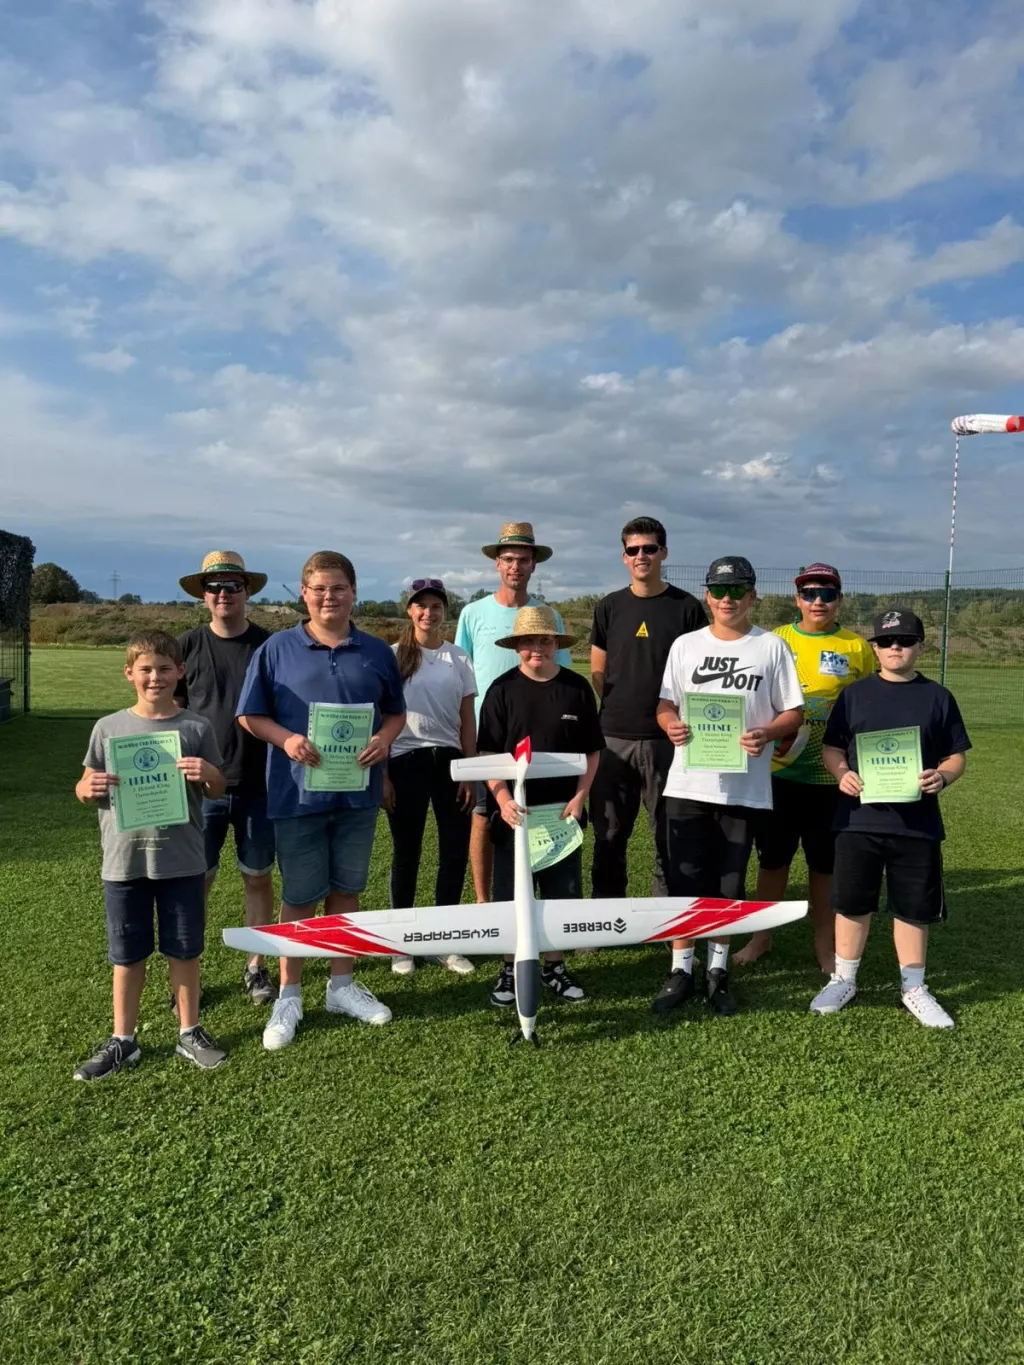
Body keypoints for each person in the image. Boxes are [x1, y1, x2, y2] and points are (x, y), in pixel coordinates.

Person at [236, 551, 406, 1050]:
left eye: (338, 588)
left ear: (354, 592)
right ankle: (290, 992)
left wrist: (387, 738)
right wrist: (286, 739)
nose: (328, 597)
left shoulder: (377, 651)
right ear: (304, 595)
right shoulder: (275, 650)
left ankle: (341, 986)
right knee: (299, 897)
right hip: (296, 793)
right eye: (318, 589)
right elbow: (249, 715)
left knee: (347, 890)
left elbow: (394, 712)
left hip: (357, 793)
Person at [73, 630, 228, 1081]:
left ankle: (189, 1031)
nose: (155, 677)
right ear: (129, 674)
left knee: (185, 949)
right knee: (127, 954)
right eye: (145, 669)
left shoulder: (195, 727)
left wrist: (209, 773)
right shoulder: (108, 728)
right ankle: (124, 1040)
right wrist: (88, 788)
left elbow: (217, 787)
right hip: (124, 862)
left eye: (164, 668)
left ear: (180, 672)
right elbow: (84, 785)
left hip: (181, 860)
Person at [654, 557, 803, 1017]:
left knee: (729, 881)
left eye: (738, 591)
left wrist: (768, 734)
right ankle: (681, 968)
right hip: (688, 783)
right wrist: (671, 725)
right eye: (719, 591)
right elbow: (665, 703)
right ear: (707, 596)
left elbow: (794, 713)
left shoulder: (772, 647)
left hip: (743, 789)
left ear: (753, 596)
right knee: (685, 878)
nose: (728, 600)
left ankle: (718, 969)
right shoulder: (685, 645)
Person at [812, 609, 970, 1028]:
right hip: (858, 820)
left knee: (913, 907)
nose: (894, 647)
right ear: (874, 648)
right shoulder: (854, 695)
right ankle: (843, 979)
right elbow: (832, 748)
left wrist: (943, 776)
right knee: (851, 903)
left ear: (920, 645)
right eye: (886, 641)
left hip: (916, 824)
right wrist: (842, 774)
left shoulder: (938, 696)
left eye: (904, 640)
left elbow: (956, 756)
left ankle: (913, 987)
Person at [736, 563, 875, 973]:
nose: (818, 601)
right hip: (776, 775)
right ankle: (761, 938)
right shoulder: (774, 639)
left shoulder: (856, 647)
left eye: (827, 594)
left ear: (839, 600)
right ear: (797, 598)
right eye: (810, 593)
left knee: (824, 865)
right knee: (772, 861)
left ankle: (824, 944)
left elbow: (868, 707)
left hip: (831, 778)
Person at [476, 606, 603, 1007]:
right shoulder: (501, 690)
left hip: (561, 815)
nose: (537, 649)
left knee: (561, 896)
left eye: (545, 641)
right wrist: (502, 798)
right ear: (517, 647)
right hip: (514, 815)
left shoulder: (576, 688)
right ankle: (510, 969)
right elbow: (487, 752)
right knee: (512, 897)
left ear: (555, 645)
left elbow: (593, 751)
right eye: (529, 641)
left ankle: (555, 968)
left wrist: (581, 796)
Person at [177, 550, 276, 1005]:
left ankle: (256, 968)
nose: (222, 594)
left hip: (261, 784)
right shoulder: (185, 647)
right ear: (203, 595)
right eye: (213, 587)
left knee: (257, 877)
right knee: (198, 880)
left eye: (232, 586)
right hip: (201, 788)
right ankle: (187, 974)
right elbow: (166, 715)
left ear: (247, 591)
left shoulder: (269, 645)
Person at [589, 516, 707, 899]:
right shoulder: (609, 607)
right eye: (633, 550)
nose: (642, 556)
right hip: (612, 738)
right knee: (608, 833)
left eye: (649, 548)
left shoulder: (686, 607)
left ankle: (665, 917)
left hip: (667, 740)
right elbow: (597, 668)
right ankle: (606, 916)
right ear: (624, 557)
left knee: (668, 833)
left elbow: (698, 672)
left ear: (664, 553)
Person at [455, 522, 572, 902]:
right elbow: (462, 678)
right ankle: (484, 903)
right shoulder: (473, 613)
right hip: (491, 736)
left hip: (540, 735)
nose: (515, 567)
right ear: (497, 564)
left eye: (523, 560)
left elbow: (563, 676)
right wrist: (467, 741)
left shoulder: (547, 616)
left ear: (534, 565)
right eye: (508, 559)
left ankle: (534, 899)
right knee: (484, 818)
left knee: (538, 816)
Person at [384, 577, 478, 977]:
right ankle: (401, 944)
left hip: (451, 764)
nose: (428, 612)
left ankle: (445, 940)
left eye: (436, 606)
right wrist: (383, 774)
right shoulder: (391, 657)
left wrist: (469, 772)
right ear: (410, 610)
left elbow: (466, 719)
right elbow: (382, 718)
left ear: (444, 611)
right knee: (407, 853)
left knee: (453, 852)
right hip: (405, 761)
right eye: (420, 605)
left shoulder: (458, 658)